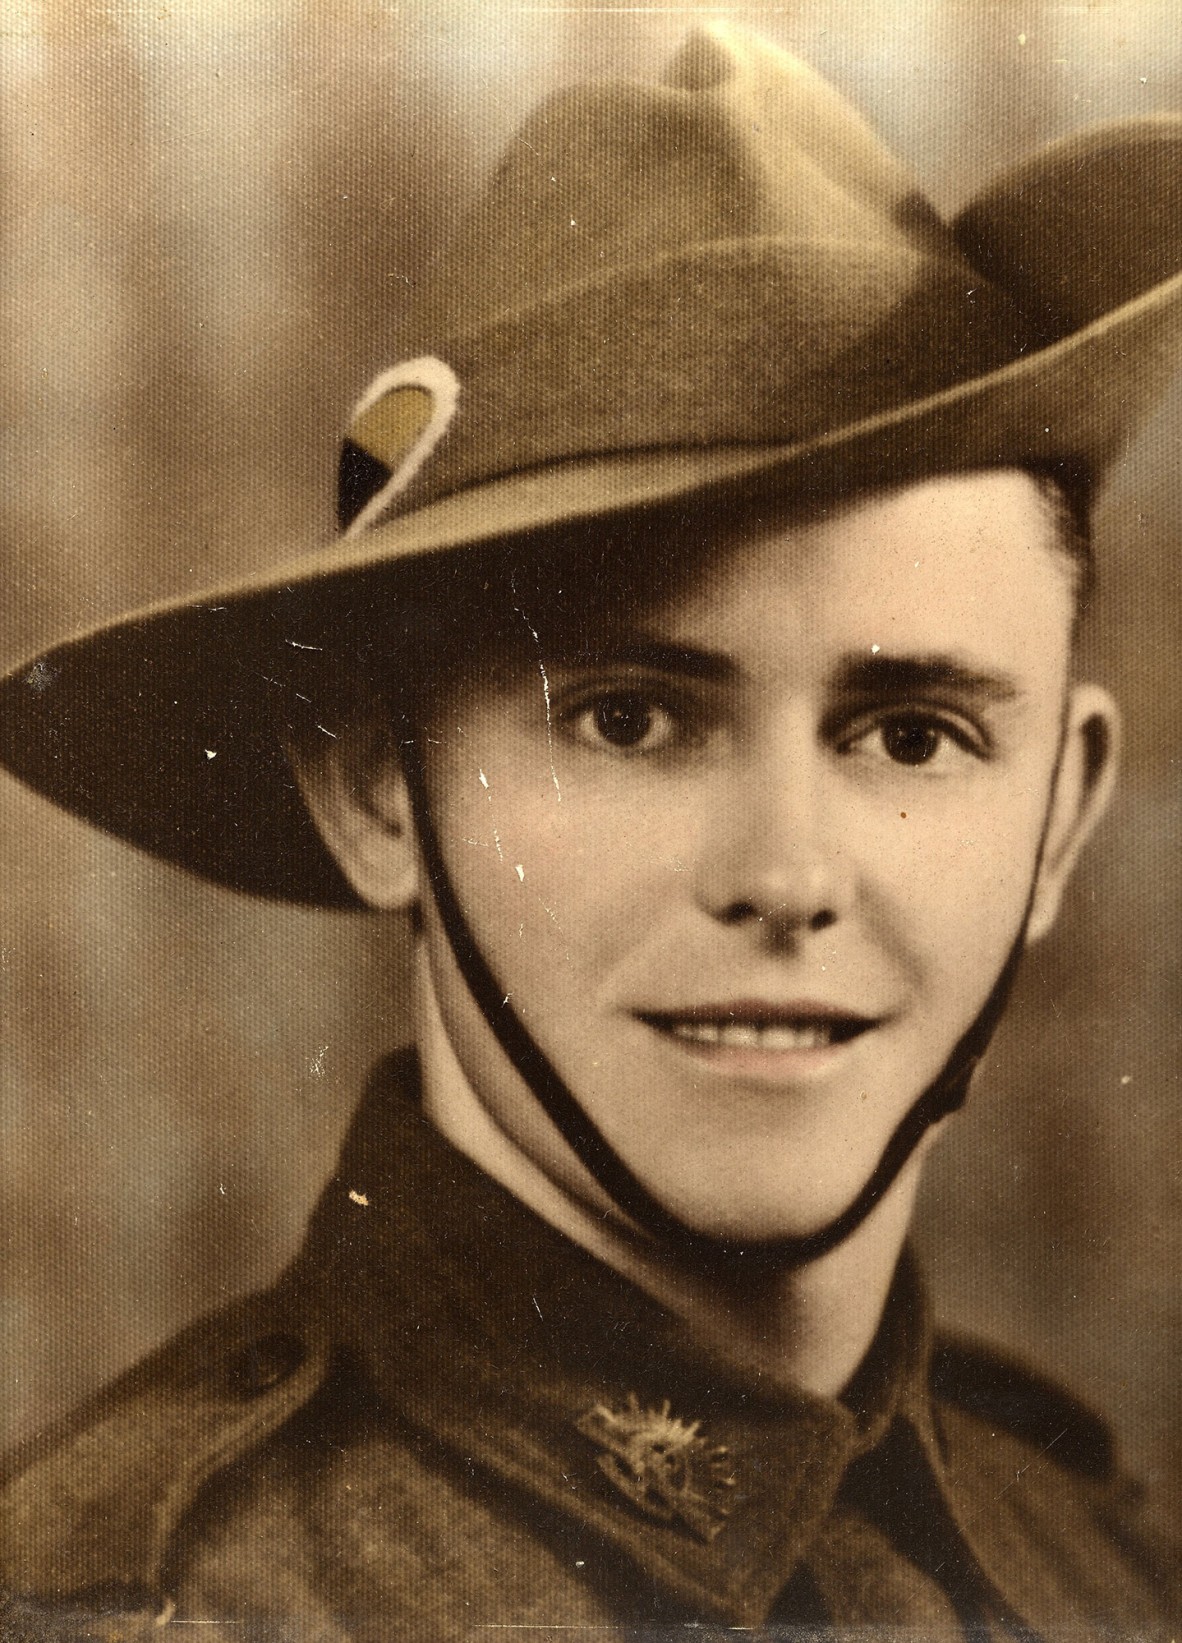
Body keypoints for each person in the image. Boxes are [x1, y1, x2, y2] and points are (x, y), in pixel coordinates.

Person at [0, 22, 1179, 1639]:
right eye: (630, 718)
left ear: (1056, 820)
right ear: (375, 791)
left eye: (912, 734)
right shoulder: (142, 1607)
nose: (784, 878)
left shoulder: (1103, 1572)